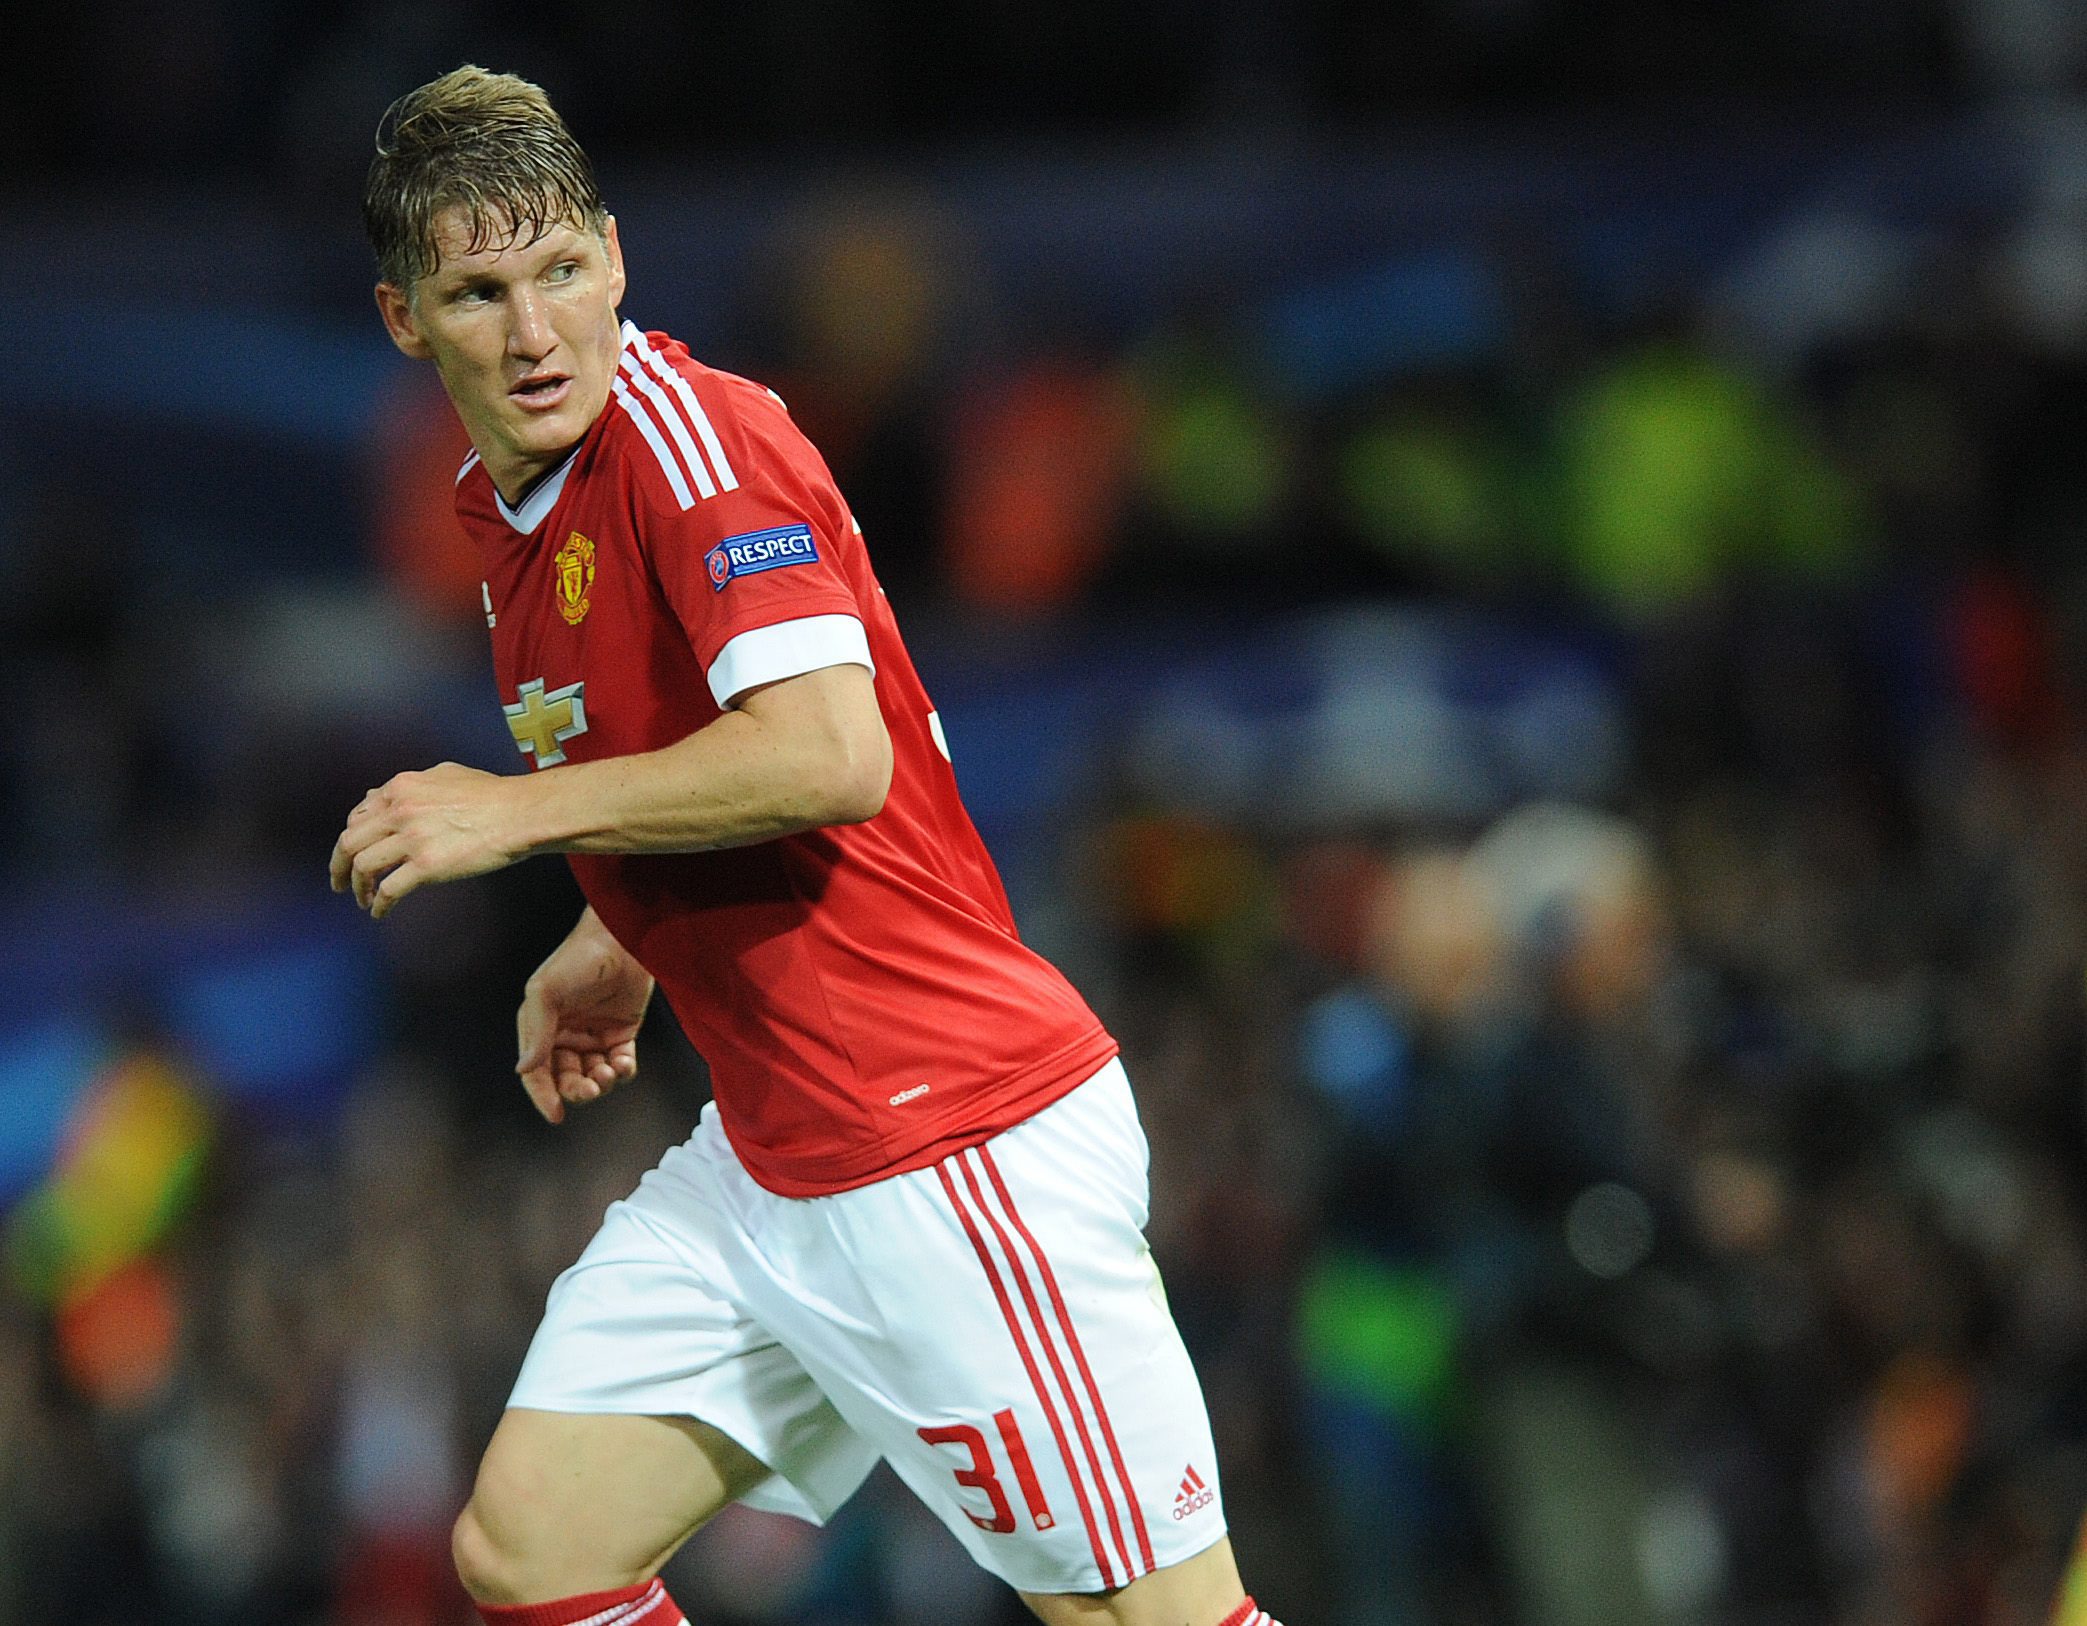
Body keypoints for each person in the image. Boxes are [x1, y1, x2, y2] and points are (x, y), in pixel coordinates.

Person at [331, 65, 1284, 1626]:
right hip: (778, 1154)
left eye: (560, 270)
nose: (534, 330)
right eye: (480, 293)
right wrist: (622, 935)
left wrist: (513, 811)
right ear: (404, 320)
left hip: (947, 1132)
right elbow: (696, 756)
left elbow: (829, 754)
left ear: (617, 258)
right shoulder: (516, 521)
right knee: (532, 1547)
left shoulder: (695, 441)